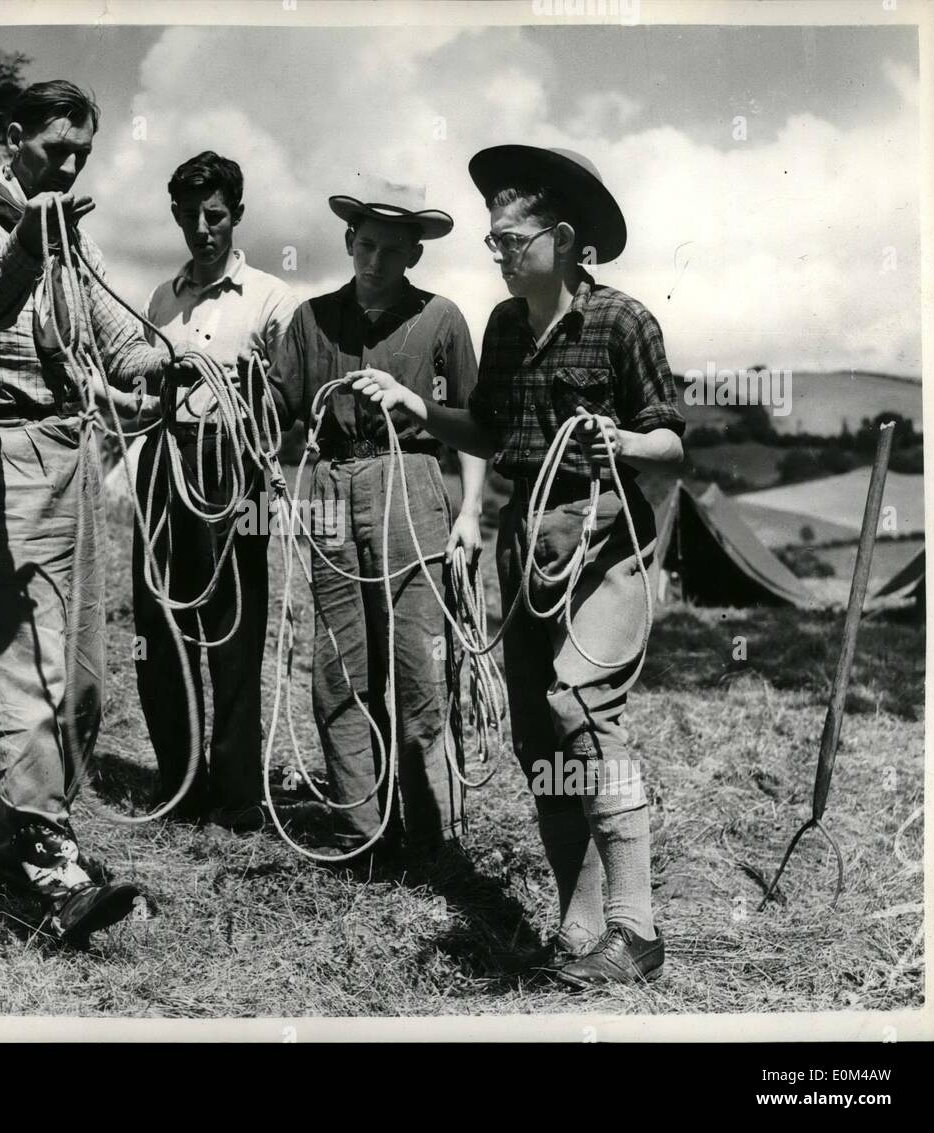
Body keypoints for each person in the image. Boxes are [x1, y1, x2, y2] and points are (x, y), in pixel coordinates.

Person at [352, 146, 685, 985]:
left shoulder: (622, 321)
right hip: (528, 536)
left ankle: (636, 928)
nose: (496, 252)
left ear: (564, 239)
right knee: (540, 730)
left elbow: (672, 442)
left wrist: (625, 440)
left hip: (609, 532)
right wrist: (420, 408)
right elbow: (493, 435)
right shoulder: (504, 327)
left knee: (580, 702)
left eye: (510, 238)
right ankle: (578, 926)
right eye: (491, 240)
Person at [0, 79, 198, 943]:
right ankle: (45, 867)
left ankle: (48, 827)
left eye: (82, 152)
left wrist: (167, 367)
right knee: (19, 663)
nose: (71, 164)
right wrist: (34, 246)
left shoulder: (70, 241)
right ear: (13, 139)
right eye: (55, 149)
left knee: (81, 672)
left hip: (68, 456)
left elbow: (117, 338)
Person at [267, 175, 485, 865]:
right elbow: (277, 415)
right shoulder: (310, 320)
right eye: (365, 245)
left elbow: (475, 426)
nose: (375, 261)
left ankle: (432, 837)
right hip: (329, 485)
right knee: (338, 664)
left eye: (392, 250)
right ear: (347, 242)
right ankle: (361, 832)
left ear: (414, 253)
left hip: (413, 482)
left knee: (418, 661)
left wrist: (471, 511)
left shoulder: (443, 319)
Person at [133, 151, 297, 831]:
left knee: (233, 624)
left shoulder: (270, 297)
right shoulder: (160, 299)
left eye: (217, 215)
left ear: (236, 214)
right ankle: (179, 783)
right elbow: (141, 392)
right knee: (161, 623)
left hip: (231, 469)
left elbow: (288, 401)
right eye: (191, 215)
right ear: (175, 214)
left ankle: (236, 795)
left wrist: (255, 423)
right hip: (162, 461)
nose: (204, 228)